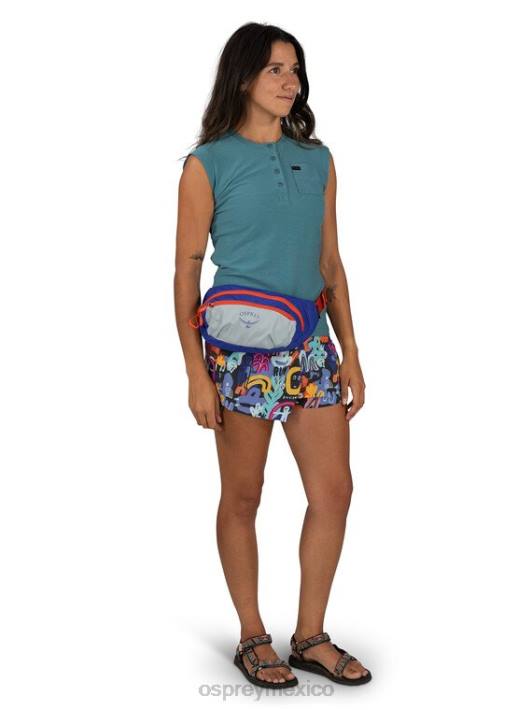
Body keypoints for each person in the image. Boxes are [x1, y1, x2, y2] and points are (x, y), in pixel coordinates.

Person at [174, 22, 372, 688]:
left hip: (311, 346)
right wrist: (195, 373)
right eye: (275, 70)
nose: (291, 82)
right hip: (240, 354)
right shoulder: (207, 164)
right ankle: (252, 635)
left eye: (295, 70)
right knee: (244, 494)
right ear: (243, 79)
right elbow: (186, 271)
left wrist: (351, 352)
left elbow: (330, 262)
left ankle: (310, 635)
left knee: (334, 492)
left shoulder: (318, 159)